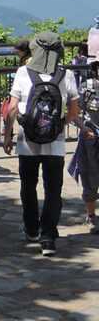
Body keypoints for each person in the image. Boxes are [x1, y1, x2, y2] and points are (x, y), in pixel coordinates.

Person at [2, 32, 80, 256]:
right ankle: (48, 238)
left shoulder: (23, 72)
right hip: (55, 143)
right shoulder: (66, 75)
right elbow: (74, 111)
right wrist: (58, 126)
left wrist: (7, 135)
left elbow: (13, 108)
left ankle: (31, 228)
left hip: (27, 141)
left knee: (28, 185)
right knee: (53, 189)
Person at [73, 60, 99, 233]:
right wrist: (83, 128)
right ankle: (92, 216)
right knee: (90, 178)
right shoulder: (87, 88)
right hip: (91, 140)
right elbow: (73, 112)